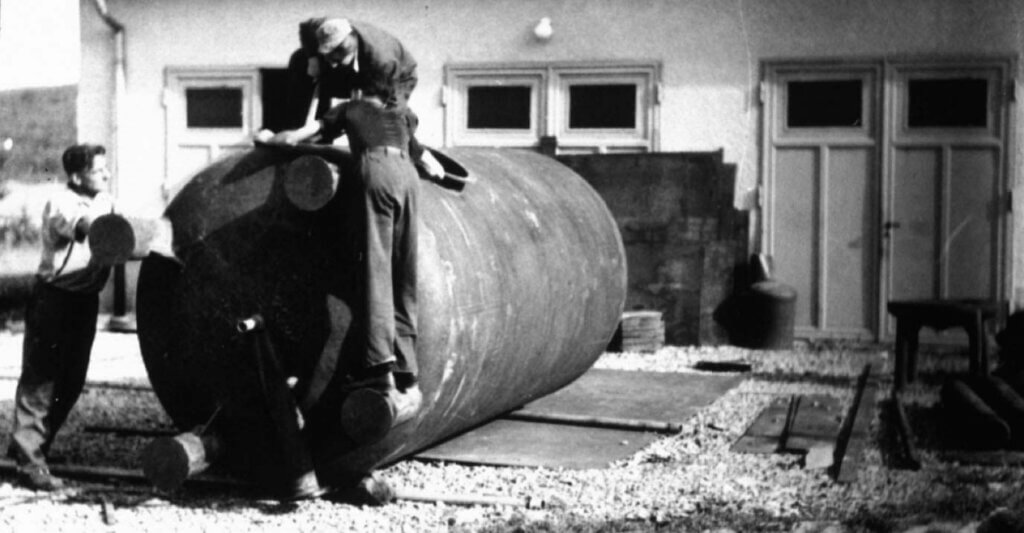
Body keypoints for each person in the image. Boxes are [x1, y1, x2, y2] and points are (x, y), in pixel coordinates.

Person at [6, 144, 115, 491]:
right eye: (99, 170)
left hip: (84, 300)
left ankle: (32, 447)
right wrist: (114, 230)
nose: (106, 174)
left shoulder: (104, 200)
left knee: (71, 380)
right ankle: (30, 462)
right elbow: (84, 229)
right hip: (55, 300)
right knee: (41, 380)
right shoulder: (61, 202)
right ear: (76, 176)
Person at [270, 17, 418, 134]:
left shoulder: (382, 60)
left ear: (348, 46)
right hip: (358, 65)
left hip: (398, 78)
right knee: (299, 59)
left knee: (385, 114)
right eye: (327, 55)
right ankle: (301, 128)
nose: (331, 63)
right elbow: (306, 26)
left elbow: (377, 98)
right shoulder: (324, 27)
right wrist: (312, 59)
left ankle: (413, 153)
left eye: (335, 56)